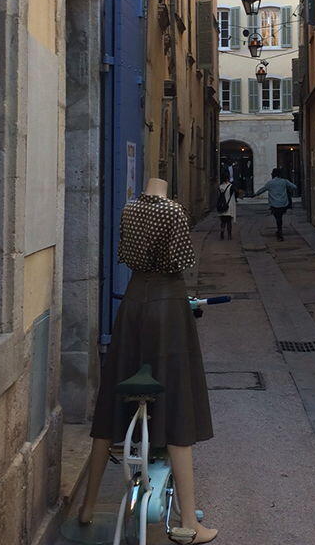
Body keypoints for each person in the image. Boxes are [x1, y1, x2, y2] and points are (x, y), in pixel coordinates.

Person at [78, 177, 217, 545]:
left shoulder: (129, 209)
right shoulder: (174, 211)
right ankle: (189, 521)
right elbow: (182, 260)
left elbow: (125, 252)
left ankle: (88, 507)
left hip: (134, 299)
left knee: (115, 388)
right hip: (168, 301)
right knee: (176, 399)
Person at [252, 168, 297, 241]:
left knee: (278, 217)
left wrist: (255, 194)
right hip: (283, 203)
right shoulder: (284, 181)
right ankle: (279, 230)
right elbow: (294, 187)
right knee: (279, 217)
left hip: (274, 204)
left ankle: (279, 232)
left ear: (273, 174)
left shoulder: (270, 183)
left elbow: (262, 190)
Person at [217, 169, 236, 240]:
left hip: (222, 205)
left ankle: (222, 233)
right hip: (229, 206)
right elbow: (235, 194)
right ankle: (229, 235)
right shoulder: (231, 186)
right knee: (229, 222)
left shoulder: (220, 186)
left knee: (222, 221)